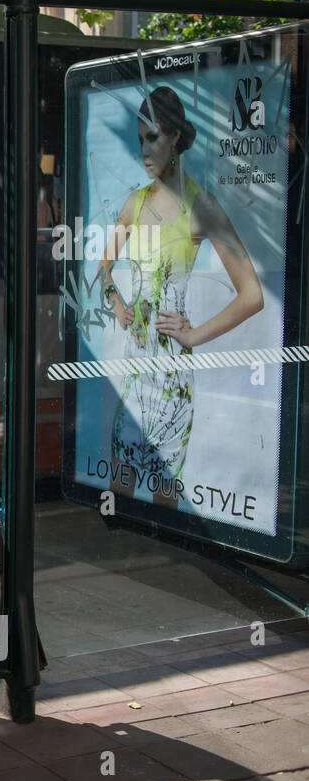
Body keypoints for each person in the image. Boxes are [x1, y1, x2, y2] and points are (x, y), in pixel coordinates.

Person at [95, 86, 263, 501]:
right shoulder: (134, 204)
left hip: (172, 376)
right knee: (119, 494)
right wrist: (116, 303)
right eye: (140, 139)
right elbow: (103, 268)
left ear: (174, 137)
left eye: (152, 137)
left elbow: (252, 294)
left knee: (164, 503)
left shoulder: (202, 206)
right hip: (135, 374)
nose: (144, 150)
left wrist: (194, 334)